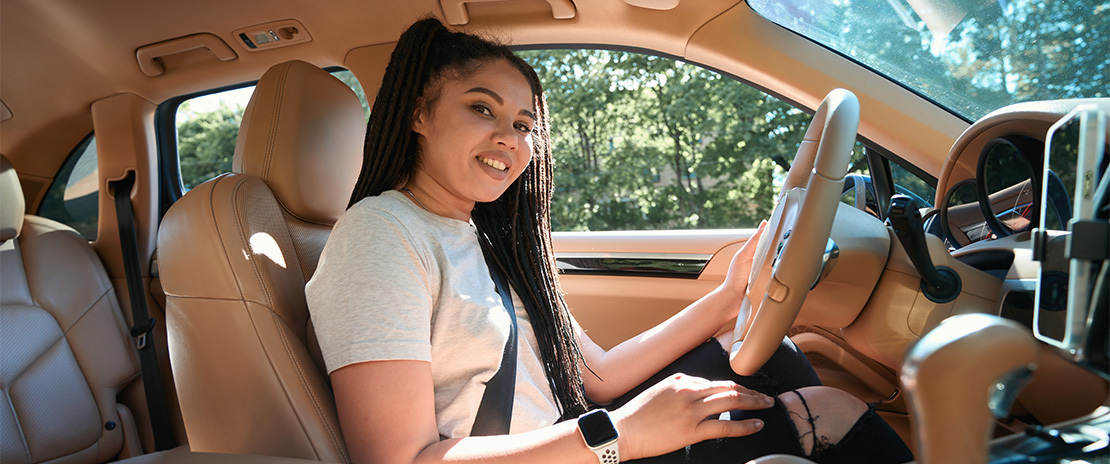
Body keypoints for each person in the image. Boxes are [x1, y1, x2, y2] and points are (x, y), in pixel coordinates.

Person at [306, 17, 912, 464]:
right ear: (418, 113)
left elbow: (596, 375)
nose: (510, 140)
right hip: (573, 451)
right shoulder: (379, 236)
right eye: (482, 109)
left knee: (762, 358)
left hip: (571, 441)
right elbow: (399, 460)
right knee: (831, 414)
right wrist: (615, 435)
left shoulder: (485, 240)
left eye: (523, 125)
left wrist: (729, 297)